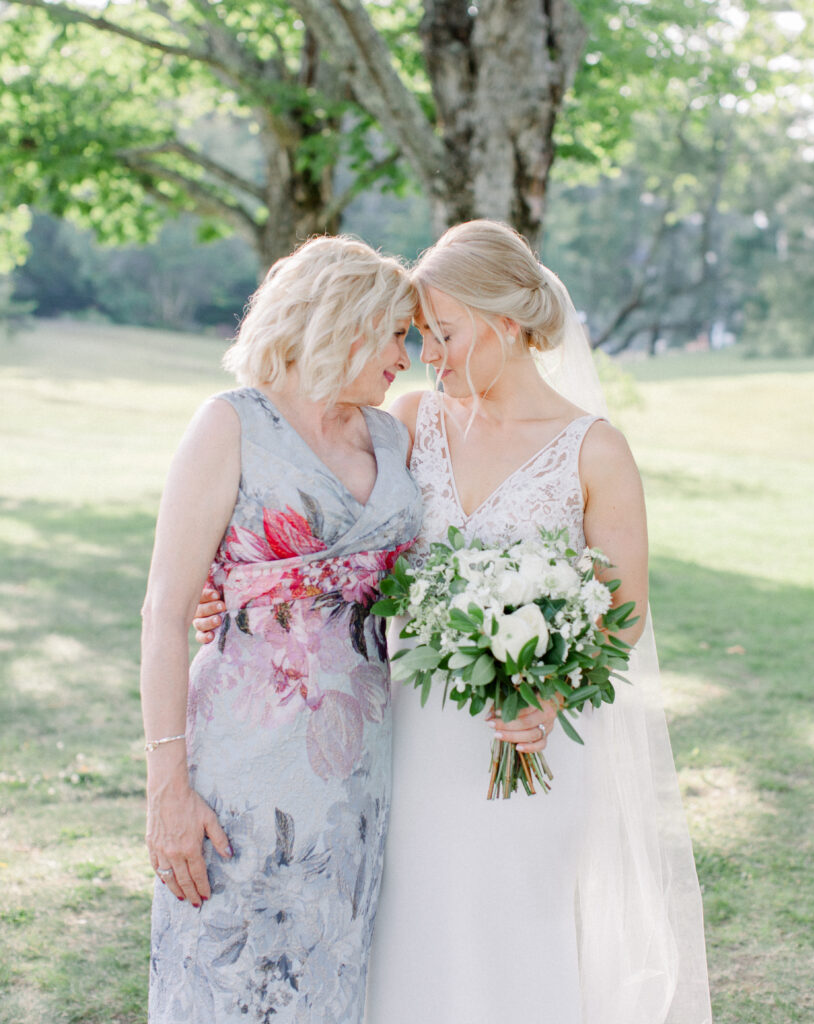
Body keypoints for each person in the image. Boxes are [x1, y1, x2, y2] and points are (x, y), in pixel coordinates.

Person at [195, 221, 712, 1023]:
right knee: (413, 936)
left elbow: (624, 612)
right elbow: (337, 537)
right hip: (405, 736)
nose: (427, 354)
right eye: (419, 336)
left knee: (515, 936)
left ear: (504, 323)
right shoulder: (409, 421)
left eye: (444, 333)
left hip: (524, 743)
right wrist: (239, 591)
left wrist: (551, 697)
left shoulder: (594, 451)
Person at [140, 234, 422, 1023]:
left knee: (328, 977)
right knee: (227, 977)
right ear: (345, 320)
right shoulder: (230, 424)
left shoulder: (393, 437)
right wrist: (168, 788)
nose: (406, 355)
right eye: (396, 333)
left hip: (356, 764)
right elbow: (165, 611)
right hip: (242, 757)